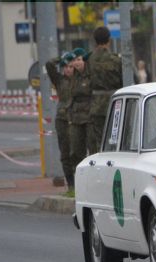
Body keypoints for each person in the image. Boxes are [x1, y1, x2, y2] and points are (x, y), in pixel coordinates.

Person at [88, 26, 123, 155]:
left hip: (96, 106)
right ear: (109, 40)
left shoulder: (89, 60)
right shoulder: (116, 60)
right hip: (116, 105)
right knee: (117, 140)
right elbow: (127, 80)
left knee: (101, 142)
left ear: (95, 41)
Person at [46, 52, 75, 189]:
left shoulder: (80, 79)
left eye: (71, 66)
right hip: (62, 120)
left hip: (77, 119)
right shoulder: (59, 80)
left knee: (77, 153)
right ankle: (71, 184)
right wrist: (62, 58)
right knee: (65, 153)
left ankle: (79, 182)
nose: (68, 69)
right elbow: (49, 65)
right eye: (66, 67)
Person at [68, 47, 91, 176]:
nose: (76, 63)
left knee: (93, 149)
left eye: (79, 59)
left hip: (89, 117)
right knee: (75, 151)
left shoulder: (90, 74)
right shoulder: (73, 77)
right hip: (76, 117)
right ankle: (78, 177)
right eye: (74, 60)